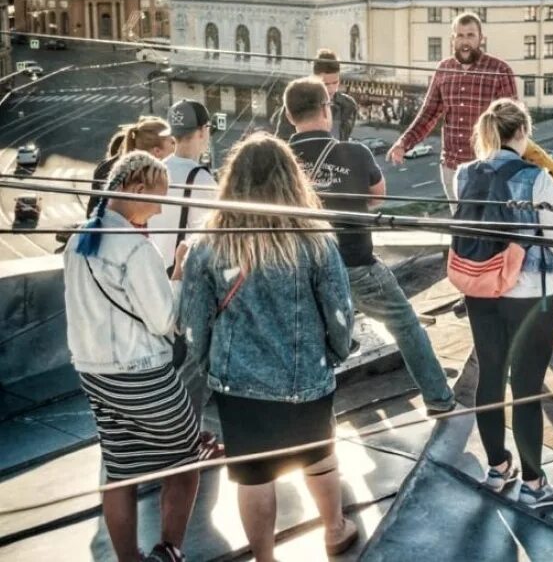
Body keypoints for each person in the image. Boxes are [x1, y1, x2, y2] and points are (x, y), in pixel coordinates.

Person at [177, 134, 357, 561]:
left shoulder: (208, 244)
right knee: (320, 458)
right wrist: (336, 353)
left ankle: (265, 557)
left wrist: (210, 365)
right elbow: (340, 310)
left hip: (238, 384)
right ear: (291, 182)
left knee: (254, 477)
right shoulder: (314, 239)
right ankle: (334, 529)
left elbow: (193, 322)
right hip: (306, 378)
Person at [283, 77, 455, 414]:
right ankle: (439, 399)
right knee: (404, 323)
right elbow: (377, 198)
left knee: (310, 341)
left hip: (304, 271)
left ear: (289, 116)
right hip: (356, 263)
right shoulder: (355, 152)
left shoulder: (280, 160)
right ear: (325, 109)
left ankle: (310, 418)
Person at [65, 151, 200, 562]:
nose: (160, 210)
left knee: (119, 470)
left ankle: (129, 559)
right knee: (185, 460)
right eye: (157, 199)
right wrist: (178, 271)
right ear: (135, 189)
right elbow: (164, 320)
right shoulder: (136, 250)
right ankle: (168, 551)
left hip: (94, 372)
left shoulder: (79, 239)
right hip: (142, 373)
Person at [455, 99, 553, 510]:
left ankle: (497, 467)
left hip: (480, 288)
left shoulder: (464, 173)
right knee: (525, 388)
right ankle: (535, 483)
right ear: (522, 133)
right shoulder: (537, 177)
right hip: (528, 296)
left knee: (490, 375)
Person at [387, 12, 518, 206]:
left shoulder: (499, 70)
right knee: (460, 227)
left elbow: (512, 125)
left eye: (471, 35)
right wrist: (403, 143)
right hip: (451, 168)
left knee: (486, 228)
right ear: (452, 39)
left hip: (487, 169)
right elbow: (428, 113)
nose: (465, 41)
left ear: (481, 39)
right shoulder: (444, 69)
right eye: (460, 35)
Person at [148, 99, 219, 418]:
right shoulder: (201, 179)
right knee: (194, 365)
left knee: (165, 364)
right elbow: (211, 240)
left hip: (153, 280)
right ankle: (189, 433)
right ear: (203, 132)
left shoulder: (155, 172)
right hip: (186, 282)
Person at [86, 117, 176, 217]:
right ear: (157, 151)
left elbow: (91, 213)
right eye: (172, 142)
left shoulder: (106, 166)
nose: (175, 146)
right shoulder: (148, 176)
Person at [272, 50, 358, 142]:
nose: (331, 89)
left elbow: (345, 137)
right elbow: (282, 142)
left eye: (335, 82)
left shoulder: (348, 105)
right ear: (314, 80)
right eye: (326, 84)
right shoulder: (296, 104)